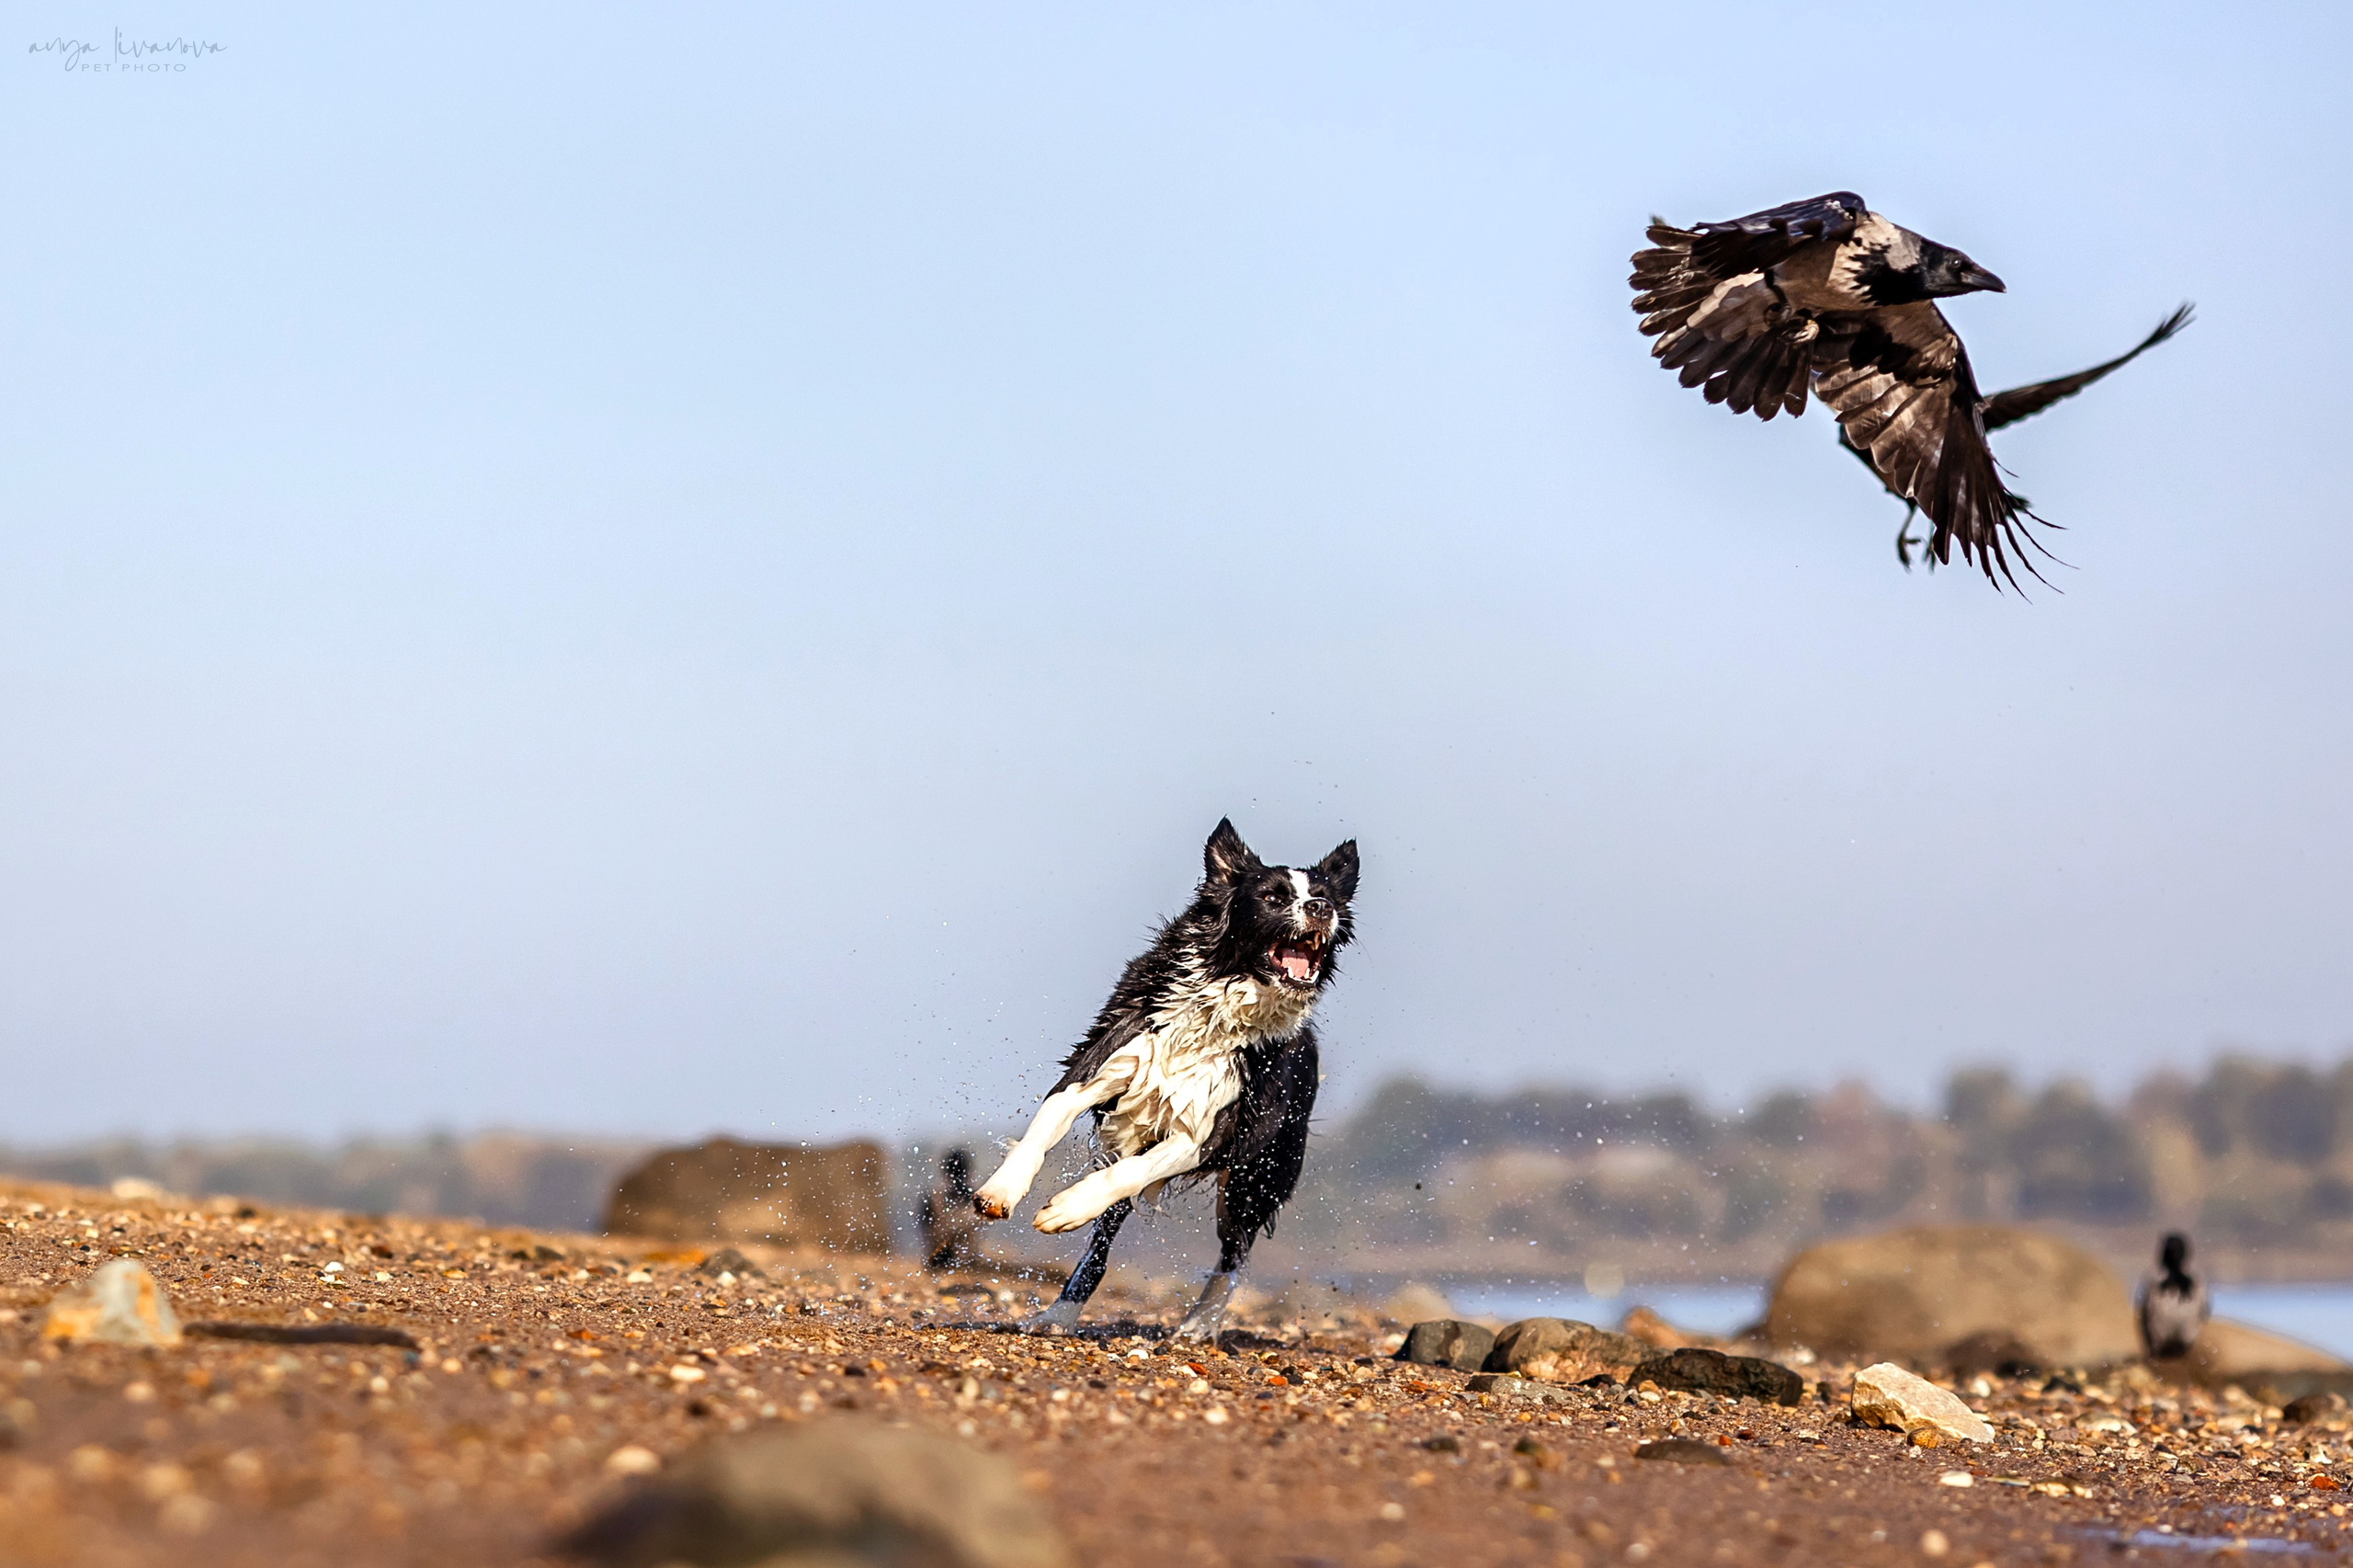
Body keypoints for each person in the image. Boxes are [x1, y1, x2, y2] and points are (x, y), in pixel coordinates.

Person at [2137, 1232, 2211, 1359]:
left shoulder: (2152, 1282)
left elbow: (2144, 1315)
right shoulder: (2197, 1283)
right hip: (2188, 1341)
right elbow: (2205, 1313)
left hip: (2159, 1341)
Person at [920, 1149, 983, 1269]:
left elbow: (926, 1228)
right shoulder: (976, 1199)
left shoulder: (934, 1197)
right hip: (960, 1261)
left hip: (950, 1260)